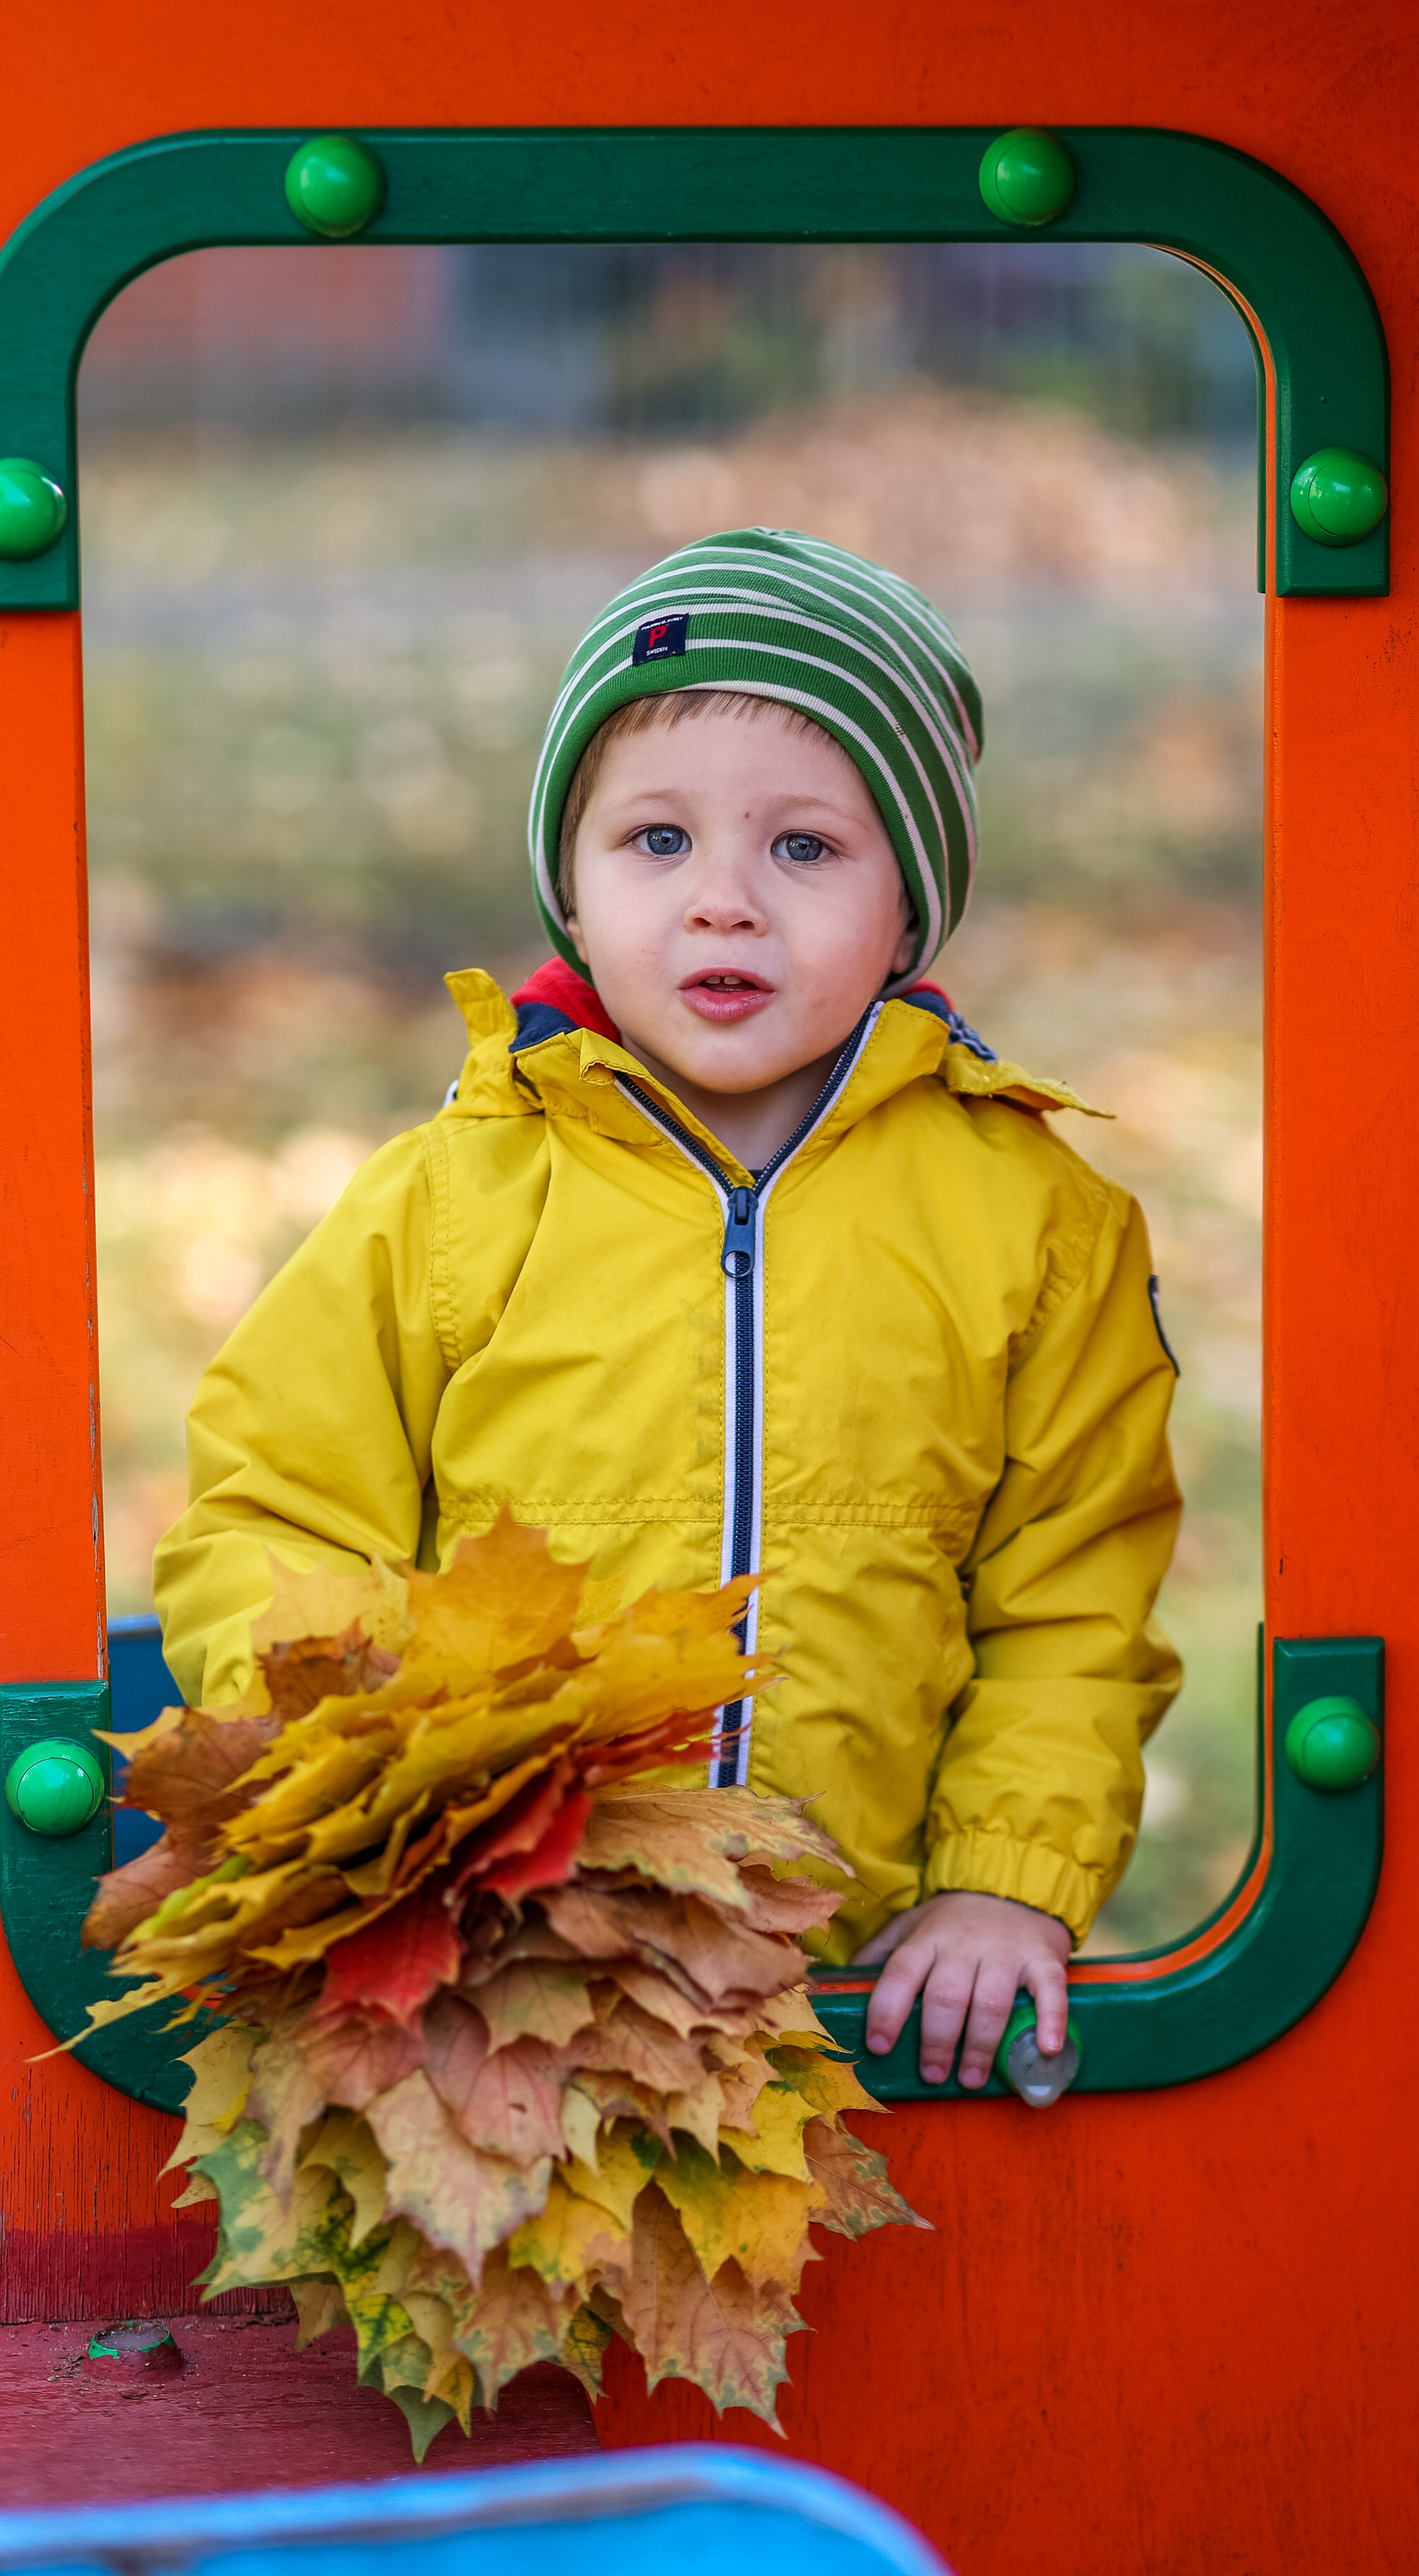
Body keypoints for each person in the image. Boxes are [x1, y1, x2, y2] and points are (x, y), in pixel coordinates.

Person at [154, 527, 1182, 2091]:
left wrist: (1006, 1878)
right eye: (655, 843)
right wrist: (404, 1801)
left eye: (804, 849)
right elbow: (274, 1515)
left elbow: (1069, 1603)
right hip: (495, 1975)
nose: (722, 905)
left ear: (911, 913)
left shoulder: (1035, 1224)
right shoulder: (451, 1199)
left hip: (851, 1989)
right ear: (566, 888)